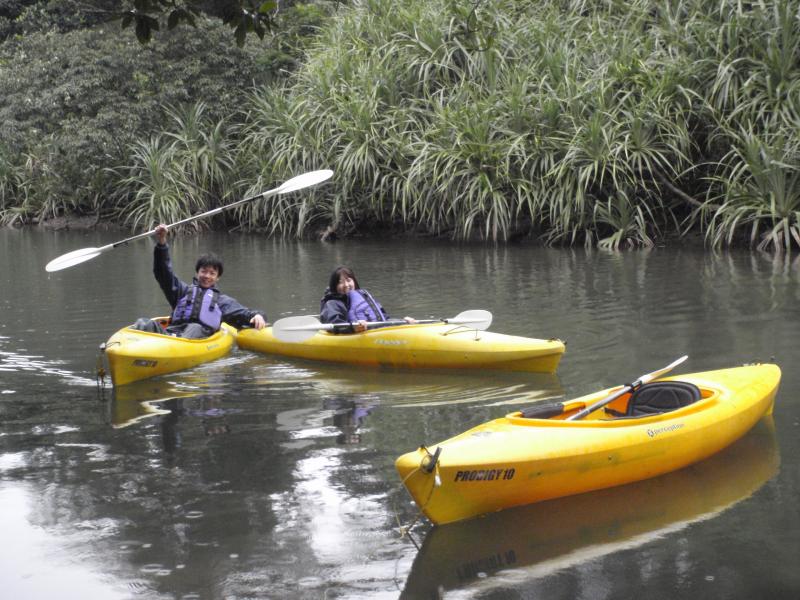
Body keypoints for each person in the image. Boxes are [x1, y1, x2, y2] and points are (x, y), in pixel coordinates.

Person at [133, 224, 267, 338]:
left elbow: (245, 313)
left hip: (197, 335)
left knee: (195, 328)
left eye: (212, 273)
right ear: (197, 273)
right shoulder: (181, 292)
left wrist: (258, 316)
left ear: (217, 277)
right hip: (173, 333)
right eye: (203, 271)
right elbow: (163, 273)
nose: (207, 276)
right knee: (143, 323)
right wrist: (162, 241)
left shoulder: (222, 301)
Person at [319, 265, 415, 333]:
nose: (346, 285)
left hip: (374, 333)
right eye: (341, 282)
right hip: (352, 335)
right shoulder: (332, 303)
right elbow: (335, 325)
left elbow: (384, 319)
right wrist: (353, 328)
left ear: (354, 281)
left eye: (349, 280)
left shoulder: (364, 297)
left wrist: (402, 322)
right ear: (334, 286)